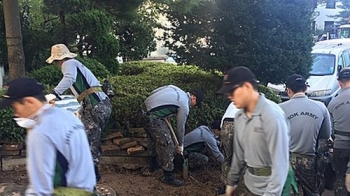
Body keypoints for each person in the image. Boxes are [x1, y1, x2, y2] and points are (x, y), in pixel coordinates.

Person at [0, 77, 95, 195]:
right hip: (88, 189)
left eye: (15, 107)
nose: (16, 113)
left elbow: (41, 187)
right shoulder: (68, 116)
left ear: (29, 102)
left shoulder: (40, 132)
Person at [216, 66, 290, 196]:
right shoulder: (239, 117)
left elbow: (280, 164)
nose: (229, 96)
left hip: (270, 188)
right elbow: (238, 157)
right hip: (250, 184)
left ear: (247, 87)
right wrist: (231, 183)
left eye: (232, 91)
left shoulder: (271, 115)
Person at [46, 43, 112, 182]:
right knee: (91, 138)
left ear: (59, 59)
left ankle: (92, 174)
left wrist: (54, 93)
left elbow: (69, 78)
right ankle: (90, 171)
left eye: (56, 62)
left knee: (88, 140)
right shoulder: (75, 64)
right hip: (100, 104)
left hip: (96, 105)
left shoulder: (68, 63)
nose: (57, 65)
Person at [139, 85, 204, 186]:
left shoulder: (175, 88)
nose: (194, 106)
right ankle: (168, 176)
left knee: (153, 138)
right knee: (167, 144)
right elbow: (180, 128)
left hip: (142, 111)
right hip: (152, 117)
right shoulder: (184, 106)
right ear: (193, 98)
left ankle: (153, 165)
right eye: (196, 104)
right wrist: (180, 145)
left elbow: (154, 91)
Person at [279, 74, 332, 195]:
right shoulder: (321, 107)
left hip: (286, 161)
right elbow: (326, 134)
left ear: (288, 90)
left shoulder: (279, 109)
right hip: (309, 160)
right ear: (305, 88)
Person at [327, 68, 350, 196]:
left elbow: (329, 131)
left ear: (340, 83)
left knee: (341, 179)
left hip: (340, 145)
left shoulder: (333, 102)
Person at [216, 103, 239, 195]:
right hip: (240, 124)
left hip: (226, 125)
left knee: (227, 159)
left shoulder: (233, 102)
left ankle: (225, 187)